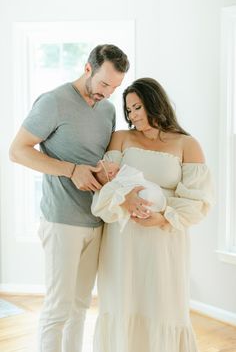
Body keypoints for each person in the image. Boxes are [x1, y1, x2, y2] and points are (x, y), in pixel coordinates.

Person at [9, 44, 129, 352]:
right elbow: (17, 151)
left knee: (80, 306)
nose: (107, 92)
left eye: (115, 87)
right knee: (58, 308)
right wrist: (70, 169)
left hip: (97, 219)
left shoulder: (107, 109)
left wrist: (107, 172)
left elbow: (96, 157)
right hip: (62, 219)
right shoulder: (53, 102)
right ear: (87, 68)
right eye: (103, 83)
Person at [91, 77, 214, 352]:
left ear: (154, 103)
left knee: (164, 303)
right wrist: (124, 200)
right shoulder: (121, 138)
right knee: (123, 300)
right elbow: (103, 183)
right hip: (124, 238)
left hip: (164, 237)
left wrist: (165, 217)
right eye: (129, 111)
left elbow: (199, 200)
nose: (132, 116)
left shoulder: (187, 144)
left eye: (137, 107)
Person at [93, 159, 166, 231]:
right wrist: (123, 196)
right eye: (111, 162)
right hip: (141, 207)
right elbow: (105, 199)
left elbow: (137, 179)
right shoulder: (112, 185)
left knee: (145, 195)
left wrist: (163, 221)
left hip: (159, 211)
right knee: (144, 195)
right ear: (110, 173)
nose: (113, 161)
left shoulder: (126, 173)